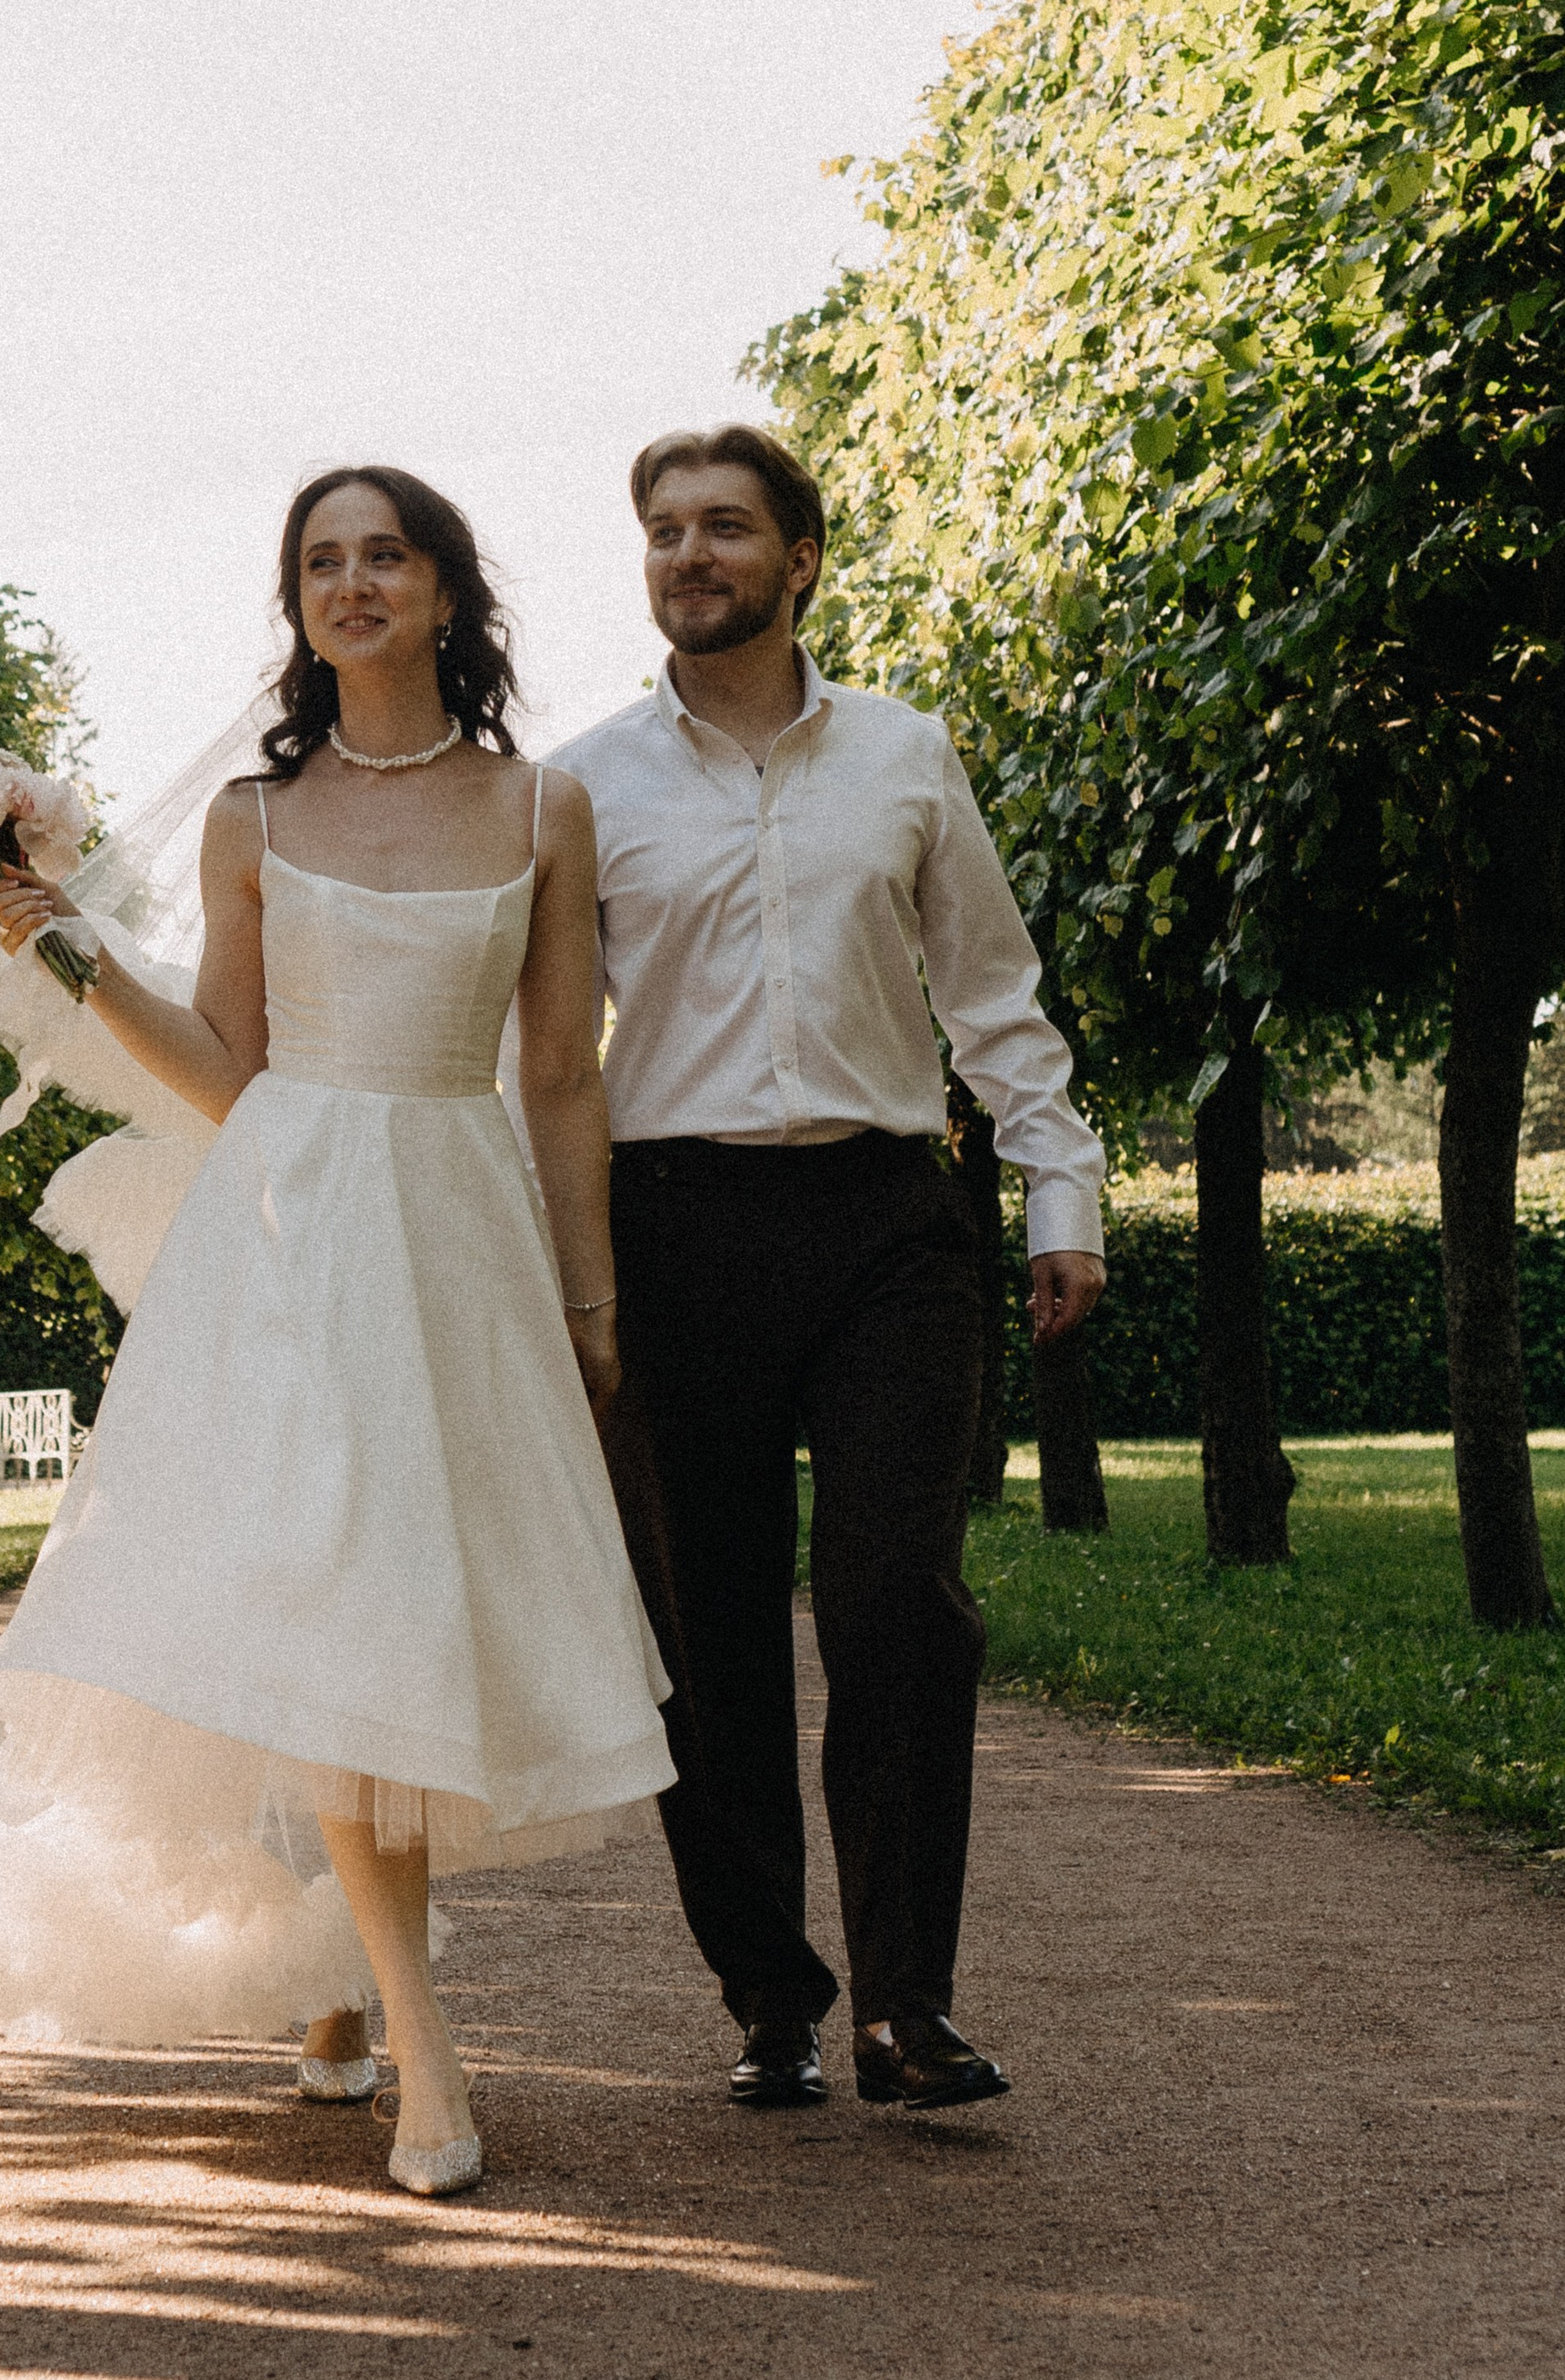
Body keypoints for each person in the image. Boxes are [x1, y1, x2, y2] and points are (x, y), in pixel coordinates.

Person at [0, 468, 672, 2198]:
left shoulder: (546, 807)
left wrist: (589, 1303)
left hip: (456, 1240)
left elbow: (563, 1077)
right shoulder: (254, 820)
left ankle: (340, 1981)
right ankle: (426, 2051)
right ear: (300, 606)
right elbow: (225, 1068)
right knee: (338, 1611)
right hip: (288, 1241)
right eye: (321, 562)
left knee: (410, 1618)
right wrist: (59, 945)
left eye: (385, 556)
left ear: (445, 591)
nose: (353, 584)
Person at [553, 424, 1107, 2114]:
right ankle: (769, 1998)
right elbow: (547, 1055)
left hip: (886, 1225)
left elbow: (990, 991)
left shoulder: (903, 755)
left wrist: (1060, 1192)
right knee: (705, 1634)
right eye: (664, 531)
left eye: (724, 526)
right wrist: (553, 1261)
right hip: (672, 1231)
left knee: (897, 1605)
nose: (688, 554)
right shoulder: (581, 786)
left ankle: (903, 2007)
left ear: (798, 560)